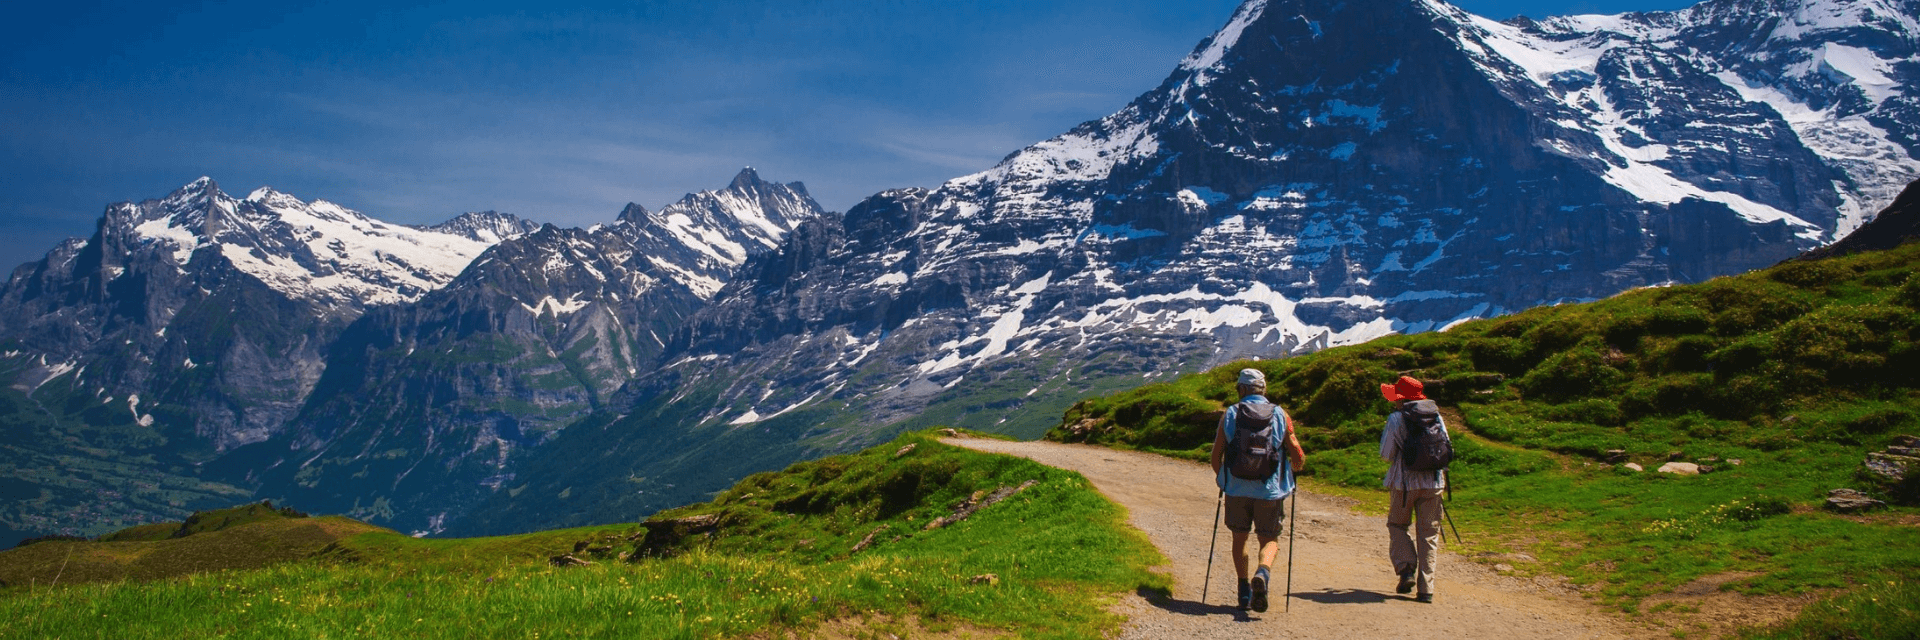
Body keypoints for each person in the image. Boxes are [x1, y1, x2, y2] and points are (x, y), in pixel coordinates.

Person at [1210, 368, 1306, 613]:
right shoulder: (1280, 414)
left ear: (1241, 389)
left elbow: (1216, 455)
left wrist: (1225, 480)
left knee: (1239, 537)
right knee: (1269, 539)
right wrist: (1294, 471)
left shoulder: (1230, 413)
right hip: (1270, 490)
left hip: (1236, 489)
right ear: (1263, 389)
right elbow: (1296, 452)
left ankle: (1243, 592)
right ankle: (1262, 573)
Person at [1379, 375, 1449, 604]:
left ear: (1400, 398)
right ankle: (1426, 589)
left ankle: (1406, 569)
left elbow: (1386, 454)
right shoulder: (1436, 415)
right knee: (1429, 535)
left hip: (1404, 484)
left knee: (1397, 525)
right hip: (1434, 482)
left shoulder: (1396, 418)